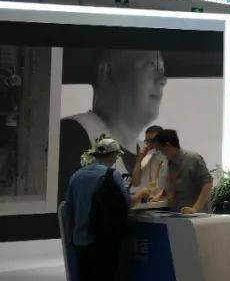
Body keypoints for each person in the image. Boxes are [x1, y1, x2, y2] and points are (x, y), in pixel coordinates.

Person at [58, 50, 168, 201]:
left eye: (162, 69)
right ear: (108, 73)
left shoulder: (153, 158)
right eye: (151, 66)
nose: (163, 79)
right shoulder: (72, 137)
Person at [64, 135, 135, 281]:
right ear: (113, 156)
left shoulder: (76, 176)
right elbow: (125, 203)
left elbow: (68, 208)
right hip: (102, 241)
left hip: (80, 240)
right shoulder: (111, 176)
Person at [149, 129, 213, 214]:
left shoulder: (193, 159)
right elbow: (171, 184)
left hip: (196, 214)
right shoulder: (168, 163)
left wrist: (195, 209)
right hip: (177, 213)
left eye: (160, 150)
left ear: (168, 146)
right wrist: (159, 196)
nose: (160, 154)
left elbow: (208, 183)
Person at [130, 124, 164, 191]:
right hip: (150, 196)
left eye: (152, 141)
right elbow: (135, 183)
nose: (149, 144)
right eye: (147, 141)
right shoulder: (146, 159)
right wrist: (139, 160)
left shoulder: (173, 158)